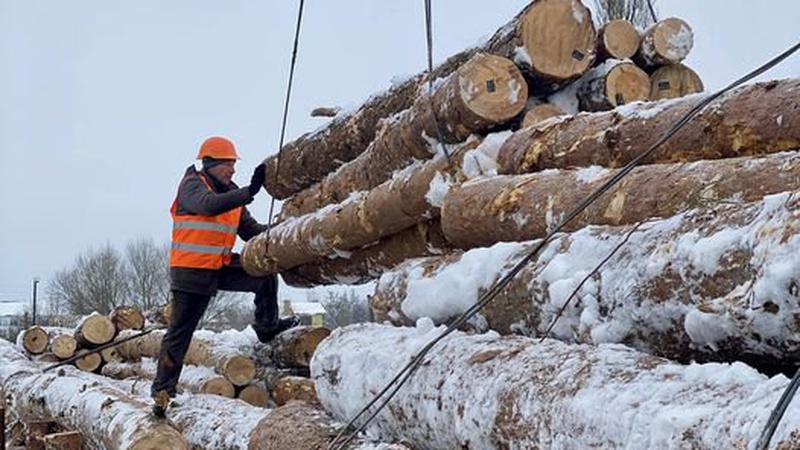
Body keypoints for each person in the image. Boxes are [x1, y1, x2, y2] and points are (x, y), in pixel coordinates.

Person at [151, 136, 297, 417]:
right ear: (210, 164)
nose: (232, 170)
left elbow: (251, 230)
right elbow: (209, 205)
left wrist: (284, 230)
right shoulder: (192, 185)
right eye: (228, 165)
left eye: (234, 165)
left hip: (218, 266)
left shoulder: (230, 193)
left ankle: (266, 326)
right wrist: (248, 191)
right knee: (180, 334)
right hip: (191, 273)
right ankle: (163, 392)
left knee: (263, 275)